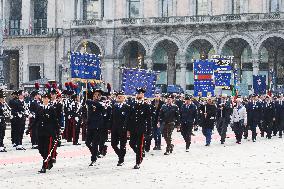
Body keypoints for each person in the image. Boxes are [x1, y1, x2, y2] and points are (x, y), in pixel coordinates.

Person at [128, 87, 151, 169]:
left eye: (140, 93)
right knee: (131, 144)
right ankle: (140, 152)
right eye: (137, 93)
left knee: (140, 145)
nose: (138, 95)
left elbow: (148, 119)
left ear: (143, 94)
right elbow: (129, 117)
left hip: (141, 129)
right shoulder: (132, 104)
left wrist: (149, 130)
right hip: (133, 128)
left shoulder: (146, 106)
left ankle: (138, 162)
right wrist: (128, 129)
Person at [35, 92, 58, 173]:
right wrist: (29, 129)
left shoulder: (51, 108)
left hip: (49, 132)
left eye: (46, 98)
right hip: (40, 131)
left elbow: (55, 121)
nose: (45, 99)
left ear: (49, 99)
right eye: (44, 98)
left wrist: (57, 132)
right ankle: (50, 159)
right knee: (40, 149)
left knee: (46, 150)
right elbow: (36, 120)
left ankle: (44, 166)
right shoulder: (39, 108)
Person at [85, 88, 106, 166]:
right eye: (94, 95)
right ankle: (95, 152)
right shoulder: (90, 103)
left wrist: (92, 102)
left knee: (94, 143)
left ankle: (93, 159)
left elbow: (99, 105)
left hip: (98, 126)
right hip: (90, 125)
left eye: (97, 95)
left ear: (100, 96)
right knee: (87, 142)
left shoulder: (102, 103)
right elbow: (87, 102)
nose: (95, 97)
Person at [110, 91, 130, 166]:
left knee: (122, 145)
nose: (119, 97)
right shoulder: (114, 106)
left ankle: (121, 160)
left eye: (121, 96)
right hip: (114, 128)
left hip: (123, 129)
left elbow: (128, 119)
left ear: (124, 98)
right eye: (118, 96)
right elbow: (111, 117)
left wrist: (128, 129)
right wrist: (110, 127)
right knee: (113, 144)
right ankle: (120, 155)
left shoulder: (127, 107)